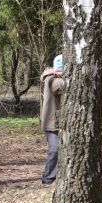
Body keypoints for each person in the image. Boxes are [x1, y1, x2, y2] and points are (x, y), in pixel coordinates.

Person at [40, 54, 64, 184]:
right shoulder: (52, 80)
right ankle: (48, 177)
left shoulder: (54, 77)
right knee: (54, 149)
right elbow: (64, 85)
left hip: (59, 121)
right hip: (51, 122)